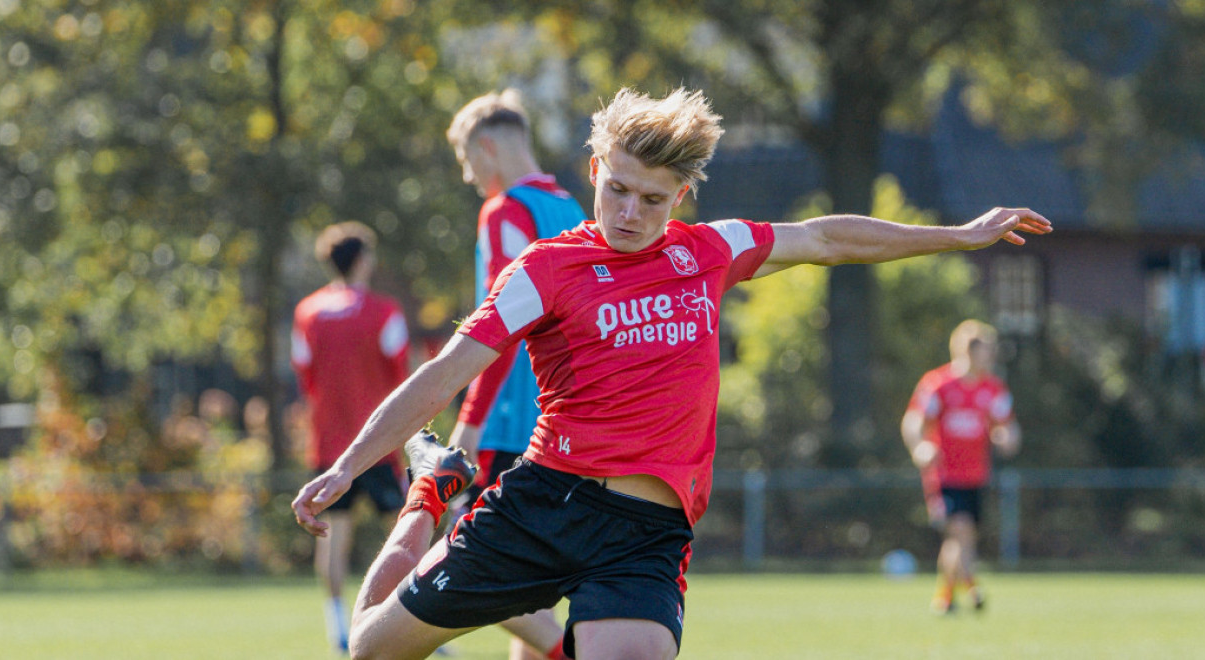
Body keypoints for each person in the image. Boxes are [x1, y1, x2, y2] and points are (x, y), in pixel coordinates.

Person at [292, 86, 1051, 659]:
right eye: (615, 188)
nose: (628, 211)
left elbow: (827, 238)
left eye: (652, 199)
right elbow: (444, 374)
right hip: (543, 502)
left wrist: (957, 235)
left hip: (644, 533)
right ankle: (432, 491)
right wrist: (351, 464)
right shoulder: (547, 268)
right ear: (594, 170)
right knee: (370, 650)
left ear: (681, 196)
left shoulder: (707, 251)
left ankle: (443, 496)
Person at [441, 88, 585, 660]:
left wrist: (471, 423)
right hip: (567, 422)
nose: (468, 175)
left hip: (510, 422)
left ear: (489, 146)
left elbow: (499, 329)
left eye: (466, 159)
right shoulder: (574, 208)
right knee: (533, 583)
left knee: (483, 571)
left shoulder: (505, 211)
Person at [291, 221, 411, 654]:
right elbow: (402, 374)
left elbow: (304, 373)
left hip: (328, 445)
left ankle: (337, 626)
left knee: (332, 536)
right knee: (405, 532)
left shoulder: (307, 312)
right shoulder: (383, 311)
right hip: (378, 444)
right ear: (362, 259)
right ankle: (410, 621)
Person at [900, 319, 1021, 615]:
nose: (991, 356)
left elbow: (1009, 427)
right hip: (943, 475)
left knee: (960, 538)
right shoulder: (938, 384)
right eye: (987, 350)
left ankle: (946, 596)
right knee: (961, 530)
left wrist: (1007, 437)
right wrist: (920, 447)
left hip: (976, 475)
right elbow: (913, 421)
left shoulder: (993, 389)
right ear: (968, 350)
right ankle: (972, 587)